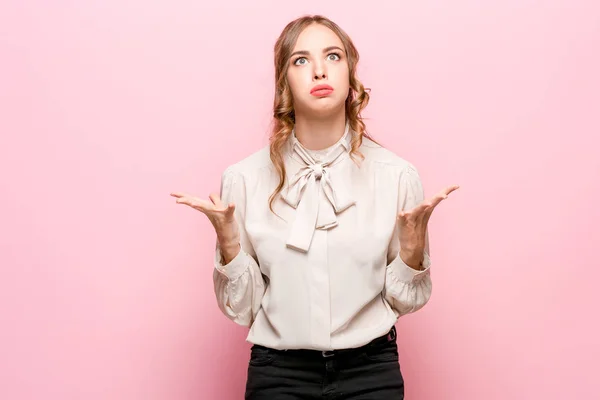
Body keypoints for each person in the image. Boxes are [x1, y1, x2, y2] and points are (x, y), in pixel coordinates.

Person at [171, 14, 459, 400]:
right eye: (301, 60)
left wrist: (410, 254)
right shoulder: (243, 179)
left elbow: (404, 301)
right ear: (284, 82)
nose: (320, 71)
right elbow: (244, 310)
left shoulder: (396, 175)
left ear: (351, 74)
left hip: (371, 373)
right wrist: (229, 247)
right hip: (279, 376)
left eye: (334, 56)